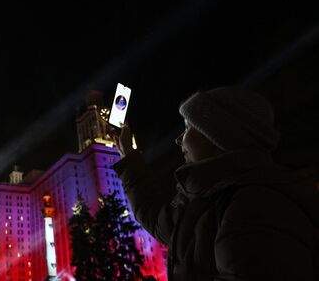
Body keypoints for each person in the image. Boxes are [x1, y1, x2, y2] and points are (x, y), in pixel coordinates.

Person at [113, 86, 319, 281]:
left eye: (187, 127)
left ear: (217, 137)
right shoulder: (205, 196)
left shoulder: (256, 207)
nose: (178, 139)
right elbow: (158, 221)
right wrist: (129, 159)